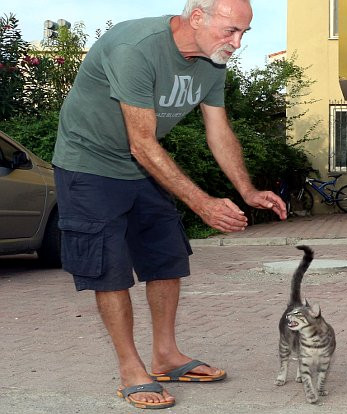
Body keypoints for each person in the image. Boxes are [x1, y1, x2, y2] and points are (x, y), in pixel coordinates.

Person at [51, 0, 286, 409]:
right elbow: (141, 142)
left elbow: (218, 130)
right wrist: (203, 203)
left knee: (165, 257)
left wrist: (246, 190)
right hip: (89, 165)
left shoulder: (212, 62)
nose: (238, 42)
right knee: (110, 269)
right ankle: (130, 368)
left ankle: (166, 355)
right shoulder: (136, 47)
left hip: (143, 167)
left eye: (244, 33)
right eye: (231, 31)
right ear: (198, 17)